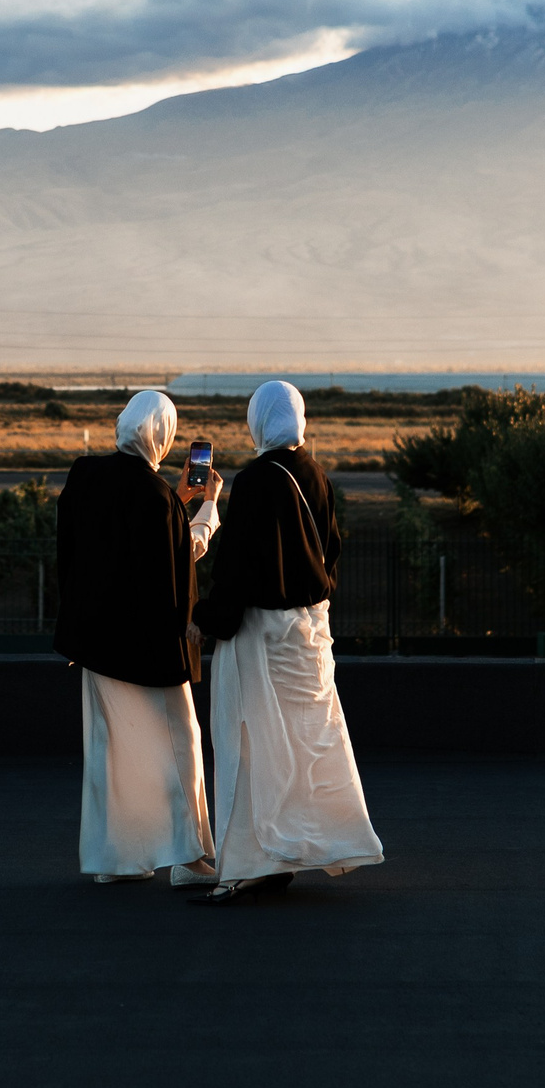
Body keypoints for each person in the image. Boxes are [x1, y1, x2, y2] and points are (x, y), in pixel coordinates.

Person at [189, 380, 384, 903]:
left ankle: (253, 862)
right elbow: (331, 552)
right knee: (305, 746)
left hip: (262, 638)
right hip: (309, 632)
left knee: (248, 746)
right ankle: (296, 849)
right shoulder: (316, 475)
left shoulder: (256, 480)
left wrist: (207, 618)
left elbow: (237, 567)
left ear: (259, 421)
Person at [54, 389, 224, 886]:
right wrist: (207, 509)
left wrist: (176, 500)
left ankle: (117, 861)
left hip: (96, 644)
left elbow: (90, 548)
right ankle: (190, 858)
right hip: (151, 651)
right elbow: (178, 556)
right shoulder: (156, 498)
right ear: (162, 436)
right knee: (180, 746)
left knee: (111, 754)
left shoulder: (85, 474)